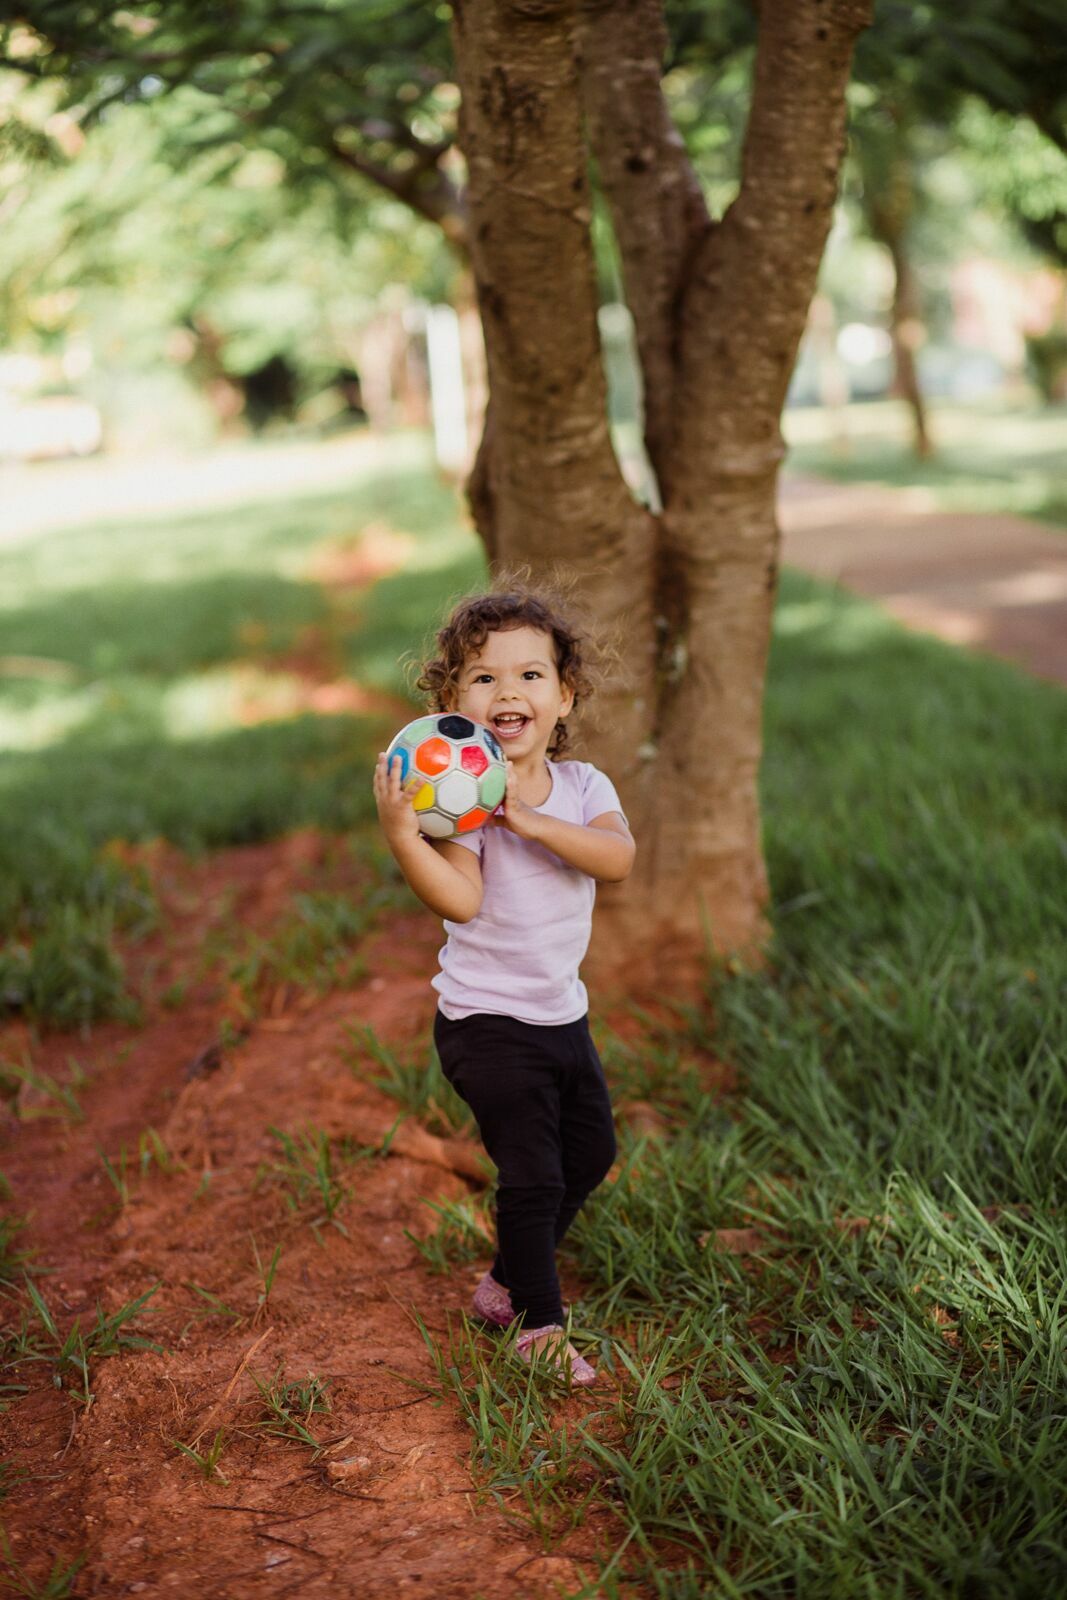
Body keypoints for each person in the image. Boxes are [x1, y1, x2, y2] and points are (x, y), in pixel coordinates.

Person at [372, 586, 635, 1385]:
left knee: (590, 1152)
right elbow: (460, 898)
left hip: (561, 1014)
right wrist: (403, 836)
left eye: (529, 675)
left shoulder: (585, 788)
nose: (507, 692)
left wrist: (534, 819)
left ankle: (505, 1283)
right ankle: (539, 1327)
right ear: (452, 704)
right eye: (483, 679)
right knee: (534, 1172)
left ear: (564, 697)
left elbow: (615, 859)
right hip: (485, 1021)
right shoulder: (459, 810)